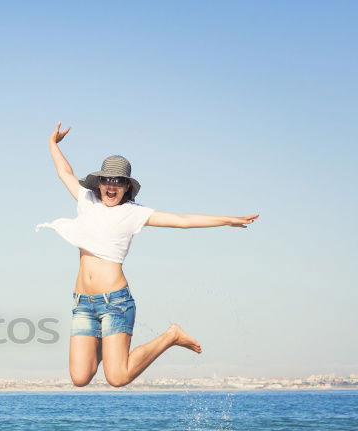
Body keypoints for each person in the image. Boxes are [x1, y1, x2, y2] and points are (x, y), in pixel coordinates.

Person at [36, 121, 258, 387]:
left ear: (126, 187)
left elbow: (181, 220)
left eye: (118, 181)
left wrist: (227, 220)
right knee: (80, 377)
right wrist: (52, 143)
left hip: (114, 302)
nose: (111, 185)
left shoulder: (134, 213)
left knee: (117, 377)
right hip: (82, 303)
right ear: (99, 182)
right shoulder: (87, 200)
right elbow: (65, 172)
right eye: (107, 179)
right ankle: (110, 346)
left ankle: (171, 336)